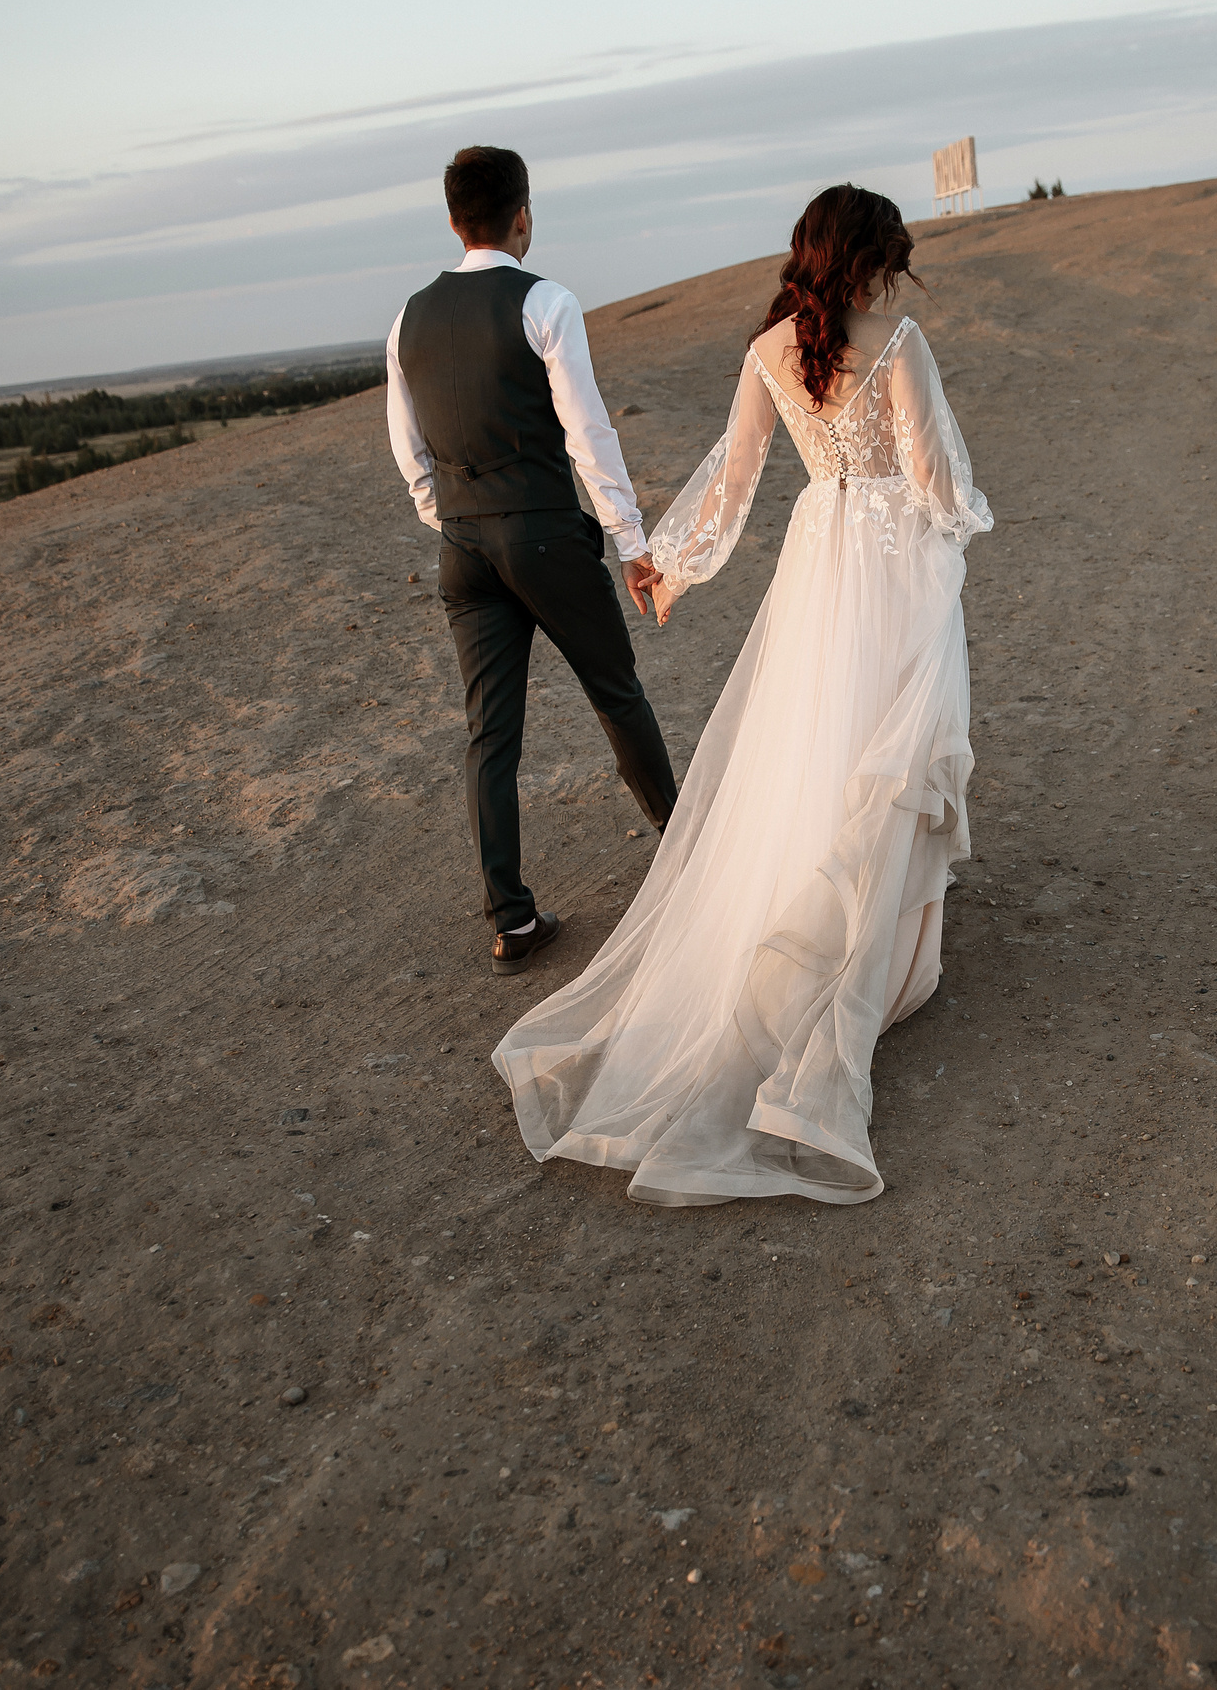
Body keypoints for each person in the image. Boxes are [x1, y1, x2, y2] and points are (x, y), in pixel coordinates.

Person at [493, 184, 991, 1206]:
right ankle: (865, 967)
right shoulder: (898, 342)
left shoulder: (767, 351)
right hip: (892, 564)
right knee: (885, 756)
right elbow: (937, 480)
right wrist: (961, 521)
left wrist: (668, 570)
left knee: (817, 749)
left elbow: (732, 480)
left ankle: (806, 937)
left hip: (818, 564)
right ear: (868, 258)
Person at [385, 146, 677, 975]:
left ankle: (511, 919)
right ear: (523, 215)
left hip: (463, 548)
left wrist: (448, 516)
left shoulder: (408, 318)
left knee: (491, 734)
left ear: (451, 219)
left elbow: (408, 448)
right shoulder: (545, 301)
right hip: (546, 535)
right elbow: (587, 432)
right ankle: (684, 848)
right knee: (617, 694)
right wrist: (631, 541)